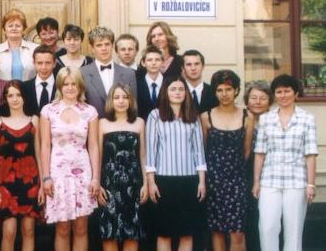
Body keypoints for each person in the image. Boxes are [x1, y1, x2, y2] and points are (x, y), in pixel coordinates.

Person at [253, 75, 318, 251]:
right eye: (279, 92)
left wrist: (311, 184)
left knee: (294, 230)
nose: (283, 95)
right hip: (269, 180)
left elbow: (310, 153)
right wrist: (256, 181)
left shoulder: (307, 118)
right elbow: (260, 153)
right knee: (267, 227)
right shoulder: (266, 119)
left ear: (295, 93)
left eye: (287, 91)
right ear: (275, 95)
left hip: (296, 181)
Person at [40, 67, 100, 250]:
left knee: (81, 228)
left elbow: (94, 145)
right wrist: (46, 177)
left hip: (83, 173)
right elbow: (45, 145)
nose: (70, 87)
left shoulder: (90, 111)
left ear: (80, 86)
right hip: (57, 173)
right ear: (60, 86)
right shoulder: (48, 110)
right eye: (66, 84)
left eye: (74, 84)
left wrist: (96, 178)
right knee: (63, 227)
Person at [145, 75, 206, 251]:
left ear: (186, 93)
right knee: (165, 232)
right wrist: (151, 182)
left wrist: (201, 182)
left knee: (186, 232)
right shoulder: (155, 115)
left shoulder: (192, 116)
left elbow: (199, 151)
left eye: (181, 89)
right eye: (173, 89)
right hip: (164, 180)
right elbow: (151, 150)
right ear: (166, 92)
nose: (178, 92)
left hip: (189, 180)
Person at [200, 70, 255, 251]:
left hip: (237, 180)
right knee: (217, 231)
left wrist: (235, 173)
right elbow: (203, 150)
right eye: (220, 90)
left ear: (237, 90)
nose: (224, 94)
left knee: (237, 231)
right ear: (215, 92)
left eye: (229, 89)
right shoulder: (206, 116)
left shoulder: (247, 116)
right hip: (214, 181)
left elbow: (247, 151)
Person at [0, 81, 42, 251]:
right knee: (9, 231)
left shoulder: (34, 120)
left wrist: (41, 184)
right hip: (6, 183)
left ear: (24, 97)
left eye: (18, 95)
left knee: (28, 230)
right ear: (5, 98)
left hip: (30, 181)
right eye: (10, 95)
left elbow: (39, 154)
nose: (14, 99)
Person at [98, 83, 147, 251]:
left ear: (130, 100)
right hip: (109, 183)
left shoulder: (139, 123)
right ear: (111, 100)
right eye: (117, 97)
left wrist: (146, 184)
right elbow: (97, 156)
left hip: (133, 184)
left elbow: (143, 156)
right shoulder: (102, 123)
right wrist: (97, 184)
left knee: (131, 232)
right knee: (109, 231)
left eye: (125, 97)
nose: (121, 101)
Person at [81, 26, 137, 118]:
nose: (104, 48)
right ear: (92, 48)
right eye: (99, 45)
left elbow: (133, 107)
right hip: (94, 127)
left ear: (112, 45)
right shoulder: (82, 73)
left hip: (121, 128)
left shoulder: (129, 74)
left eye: (107, 44)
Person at [243, 80, 272, 251]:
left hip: (269, 174)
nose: (257, 102)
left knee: (268, 218)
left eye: (263, 98)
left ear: (270, 101)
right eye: (253, 97)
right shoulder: (240, 119)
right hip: (244, 173)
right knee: (249, 218)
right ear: (247, 100)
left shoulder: (274, 121)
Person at [0, 9, 39, 81]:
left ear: (24, 29)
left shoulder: (35, 49)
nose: (14, 28)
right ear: (4, 30)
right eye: (10, 26)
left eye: (18, 26)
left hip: (29, 91)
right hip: (3, 91)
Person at [22, 45, 58, 115]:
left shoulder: (62, 87)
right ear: (34, 63)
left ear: (54, 64)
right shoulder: (24, 87)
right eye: (39, 63)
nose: (43, 67)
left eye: (48, 63)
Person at [136, 46, 164, 120]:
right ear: (143, 63)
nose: (153, 63)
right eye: (149, 60)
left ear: (162, 62)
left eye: (157, 60)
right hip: (143, 126)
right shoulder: (136, 84)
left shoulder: (169, 83)